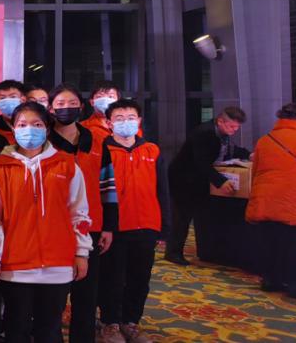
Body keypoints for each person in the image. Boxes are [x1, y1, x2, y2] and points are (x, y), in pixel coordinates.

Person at [0, 102, 92, 343]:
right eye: (22, 124)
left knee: (49, 330)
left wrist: (81, 252)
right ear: (13, 128)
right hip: (14, 265)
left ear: (47, 128)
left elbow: (79, 213)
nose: (29, 130)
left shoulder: (67, 164)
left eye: (36, 124)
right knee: (16, 329)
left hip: (58, 265)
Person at [46, 84, 115, 343]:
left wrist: (109, 225)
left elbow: (108, 186)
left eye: (72, 103)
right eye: (60, 104)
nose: (67, 108)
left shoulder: (96, 140)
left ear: (81, 106)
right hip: (52, 228)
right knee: (53, 296)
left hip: (91, 227)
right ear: (50, 108)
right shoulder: (43, 140)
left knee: (86, 294)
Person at [98, 99, 169, 343]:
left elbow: (163, 190)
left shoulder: (152, 150)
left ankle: (131, 322)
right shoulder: (103, 151)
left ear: (139, 121)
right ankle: (110, 323)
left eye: (130, 118)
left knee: (140, 278)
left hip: (147, 225)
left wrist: (164, 228)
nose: (125, 122)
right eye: (119, 118)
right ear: (109, 123)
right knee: (112, 278)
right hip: (115, 227)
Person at [165, 106, 250, 265]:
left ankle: (208, 251)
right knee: (182, 216)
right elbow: (201, 162)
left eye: (237, 127)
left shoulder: (221, 134)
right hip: (183, 179)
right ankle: (173, 252)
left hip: (198, 179)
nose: (235, 130)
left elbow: (230, 150)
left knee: (199, 215)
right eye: (232, 126)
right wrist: (221, 181)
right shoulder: (204, 133)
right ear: (220, 121)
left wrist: (248, 154)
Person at [246, 102, 296, 299]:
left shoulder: (265, 140)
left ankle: (271, 280)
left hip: (267, 199)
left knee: (271, 242)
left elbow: (255, 171)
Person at [0, 80, 26, 145]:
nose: (7, 101)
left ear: (23, 100)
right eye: (2, 98)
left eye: (13, 97)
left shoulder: (34, 124)